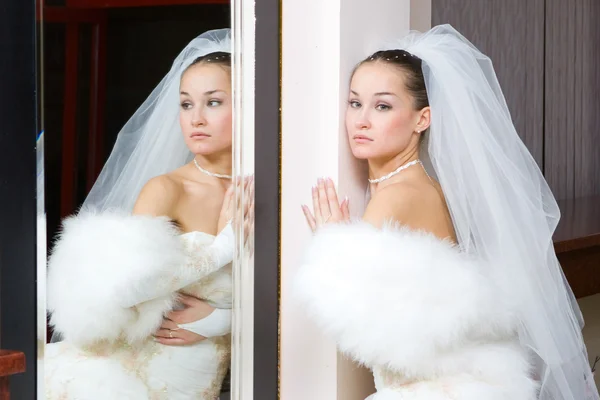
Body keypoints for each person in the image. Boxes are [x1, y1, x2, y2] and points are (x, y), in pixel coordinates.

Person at [296, 25, 599, 400]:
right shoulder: (420, 184)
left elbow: (358, 324)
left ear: (422, 119)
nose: (362, 120)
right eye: (355, 102)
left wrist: (332, 246)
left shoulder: (396, 197)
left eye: (383, 106)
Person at [45, 28, 249, 399]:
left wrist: (224, 321)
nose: (196, 118)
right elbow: (122, 293)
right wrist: (224, 246)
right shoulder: (167, 189)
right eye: (186, 104)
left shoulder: (266, 191)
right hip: (132, 381)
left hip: (205, 380)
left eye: (214, 102)